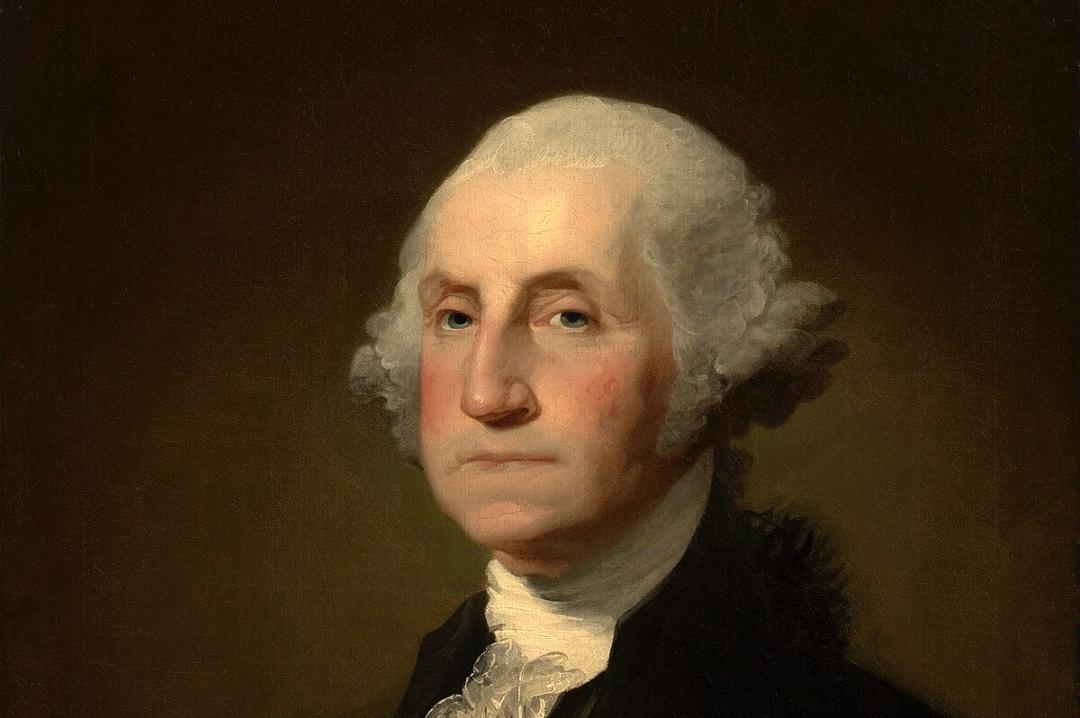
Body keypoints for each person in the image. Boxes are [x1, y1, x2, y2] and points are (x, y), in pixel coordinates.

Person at [351, 95, 944, 717]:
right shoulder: (440, 687)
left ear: (708, 353)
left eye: (571, 317)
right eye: (456, 317)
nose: (485, 395)